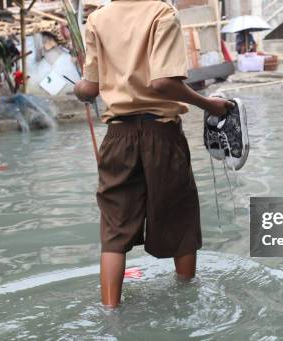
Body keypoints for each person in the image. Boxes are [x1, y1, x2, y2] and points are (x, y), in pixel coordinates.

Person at [73, 0, 233, 308]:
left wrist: (79, 90)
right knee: (180, 221)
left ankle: (110, 312)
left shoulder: (96, 20)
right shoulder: (162, 13)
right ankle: (187, 305)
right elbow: (163, 83)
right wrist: (209, 104)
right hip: (161, 135)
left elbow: (88, 89)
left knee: (114, 232)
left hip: (117, 137)